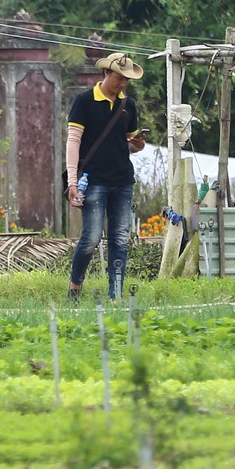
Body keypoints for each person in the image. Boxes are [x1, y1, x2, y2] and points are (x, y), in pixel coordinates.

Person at [65, 52, 149, 303]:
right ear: (105, 74)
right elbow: (73, 141)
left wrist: (139, 144)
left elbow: (131, 145)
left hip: (123, 180)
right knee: (91, 239)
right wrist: (71, 181)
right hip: (94, 181)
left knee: (120, 239)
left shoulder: (128, 106)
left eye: (126, 80)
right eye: (119, 78)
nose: (123, 84)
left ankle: (116, 295)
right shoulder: (84, 101)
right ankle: (75, 286)